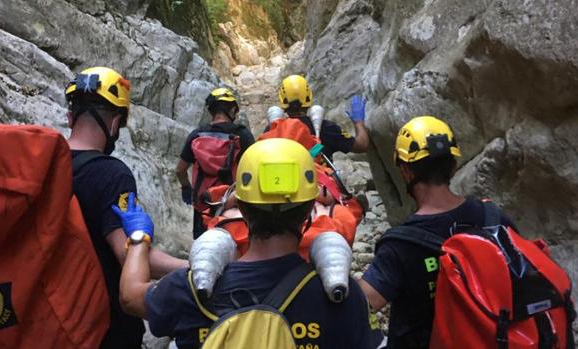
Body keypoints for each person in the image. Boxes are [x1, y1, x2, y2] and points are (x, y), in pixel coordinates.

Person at [115, 138, 383, 349]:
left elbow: (130, 296)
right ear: (308, 210)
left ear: (240, 206)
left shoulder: (188, 289)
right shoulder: (341, 297)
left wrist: (139, 238)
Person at [358, 116, 518, 348]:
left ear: (405, 172)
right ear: (452, 167)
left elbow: (362, 304)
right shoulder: (493, 218)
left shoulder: (401, 245)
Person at [65, 66, 188, 349]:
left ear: (71, 117)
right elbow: (129, 254)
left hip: (58, 316)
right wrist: (191, 268)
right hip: (104, 329)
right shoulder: (111, 174)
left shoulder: (48, 166)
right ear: (114, 122)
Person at [175, 87, 255, 238]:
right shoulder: (242, 135)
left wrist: (186, 188)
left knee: (203, 248)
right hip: (231, 204)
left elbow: (180, 170)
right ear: (232, 110)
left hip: (203, 204)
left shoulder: (196, 135)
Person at [270, 74, 369, 159]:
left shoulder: (273, 130)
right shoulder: (326, 128)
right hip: (317, 180)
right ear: (309, 97)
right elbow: (362, 145)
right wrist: (359, 122)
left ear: (282, 102)